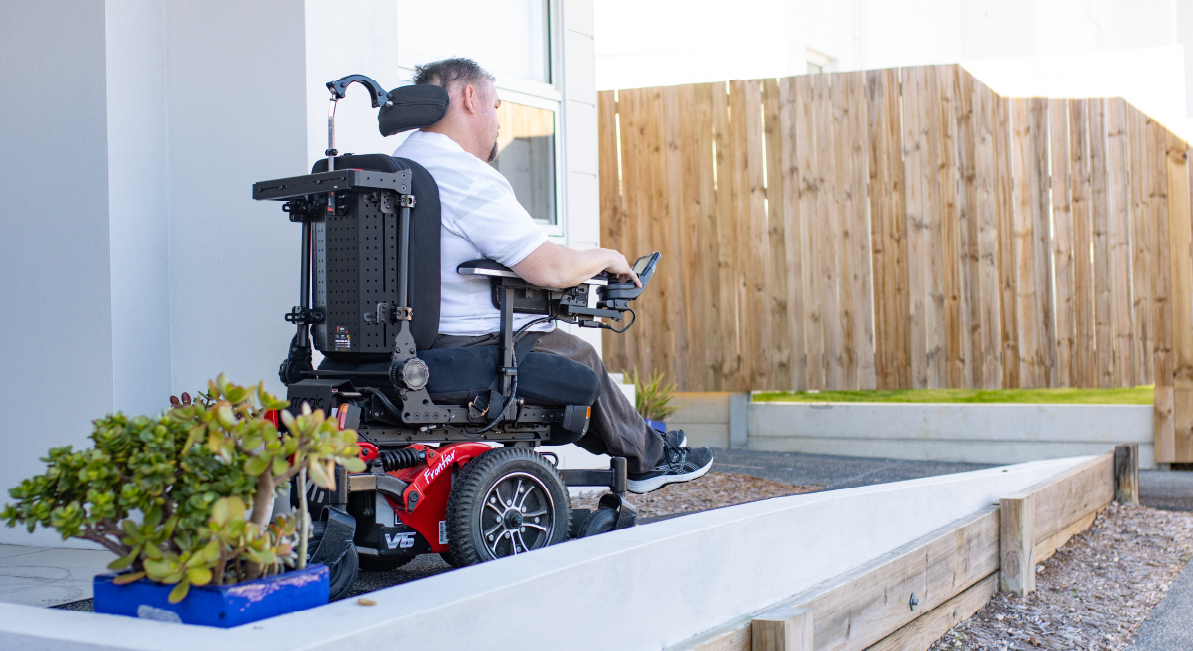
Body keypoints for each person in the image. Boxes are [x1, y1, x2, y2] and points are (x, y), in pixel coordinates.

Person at [393, 57, 712, 493]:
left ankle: (648, 445)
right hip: (468, 341)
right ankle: (648, 461)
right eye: (497, 106)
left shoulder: (403, 161)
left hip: (405, 339)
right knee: (577, 355)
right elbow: (550, 268)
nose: (498, 120)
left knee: (564, 349)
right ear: (470, 98)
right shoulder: (464, 175)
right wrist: (608, 256)